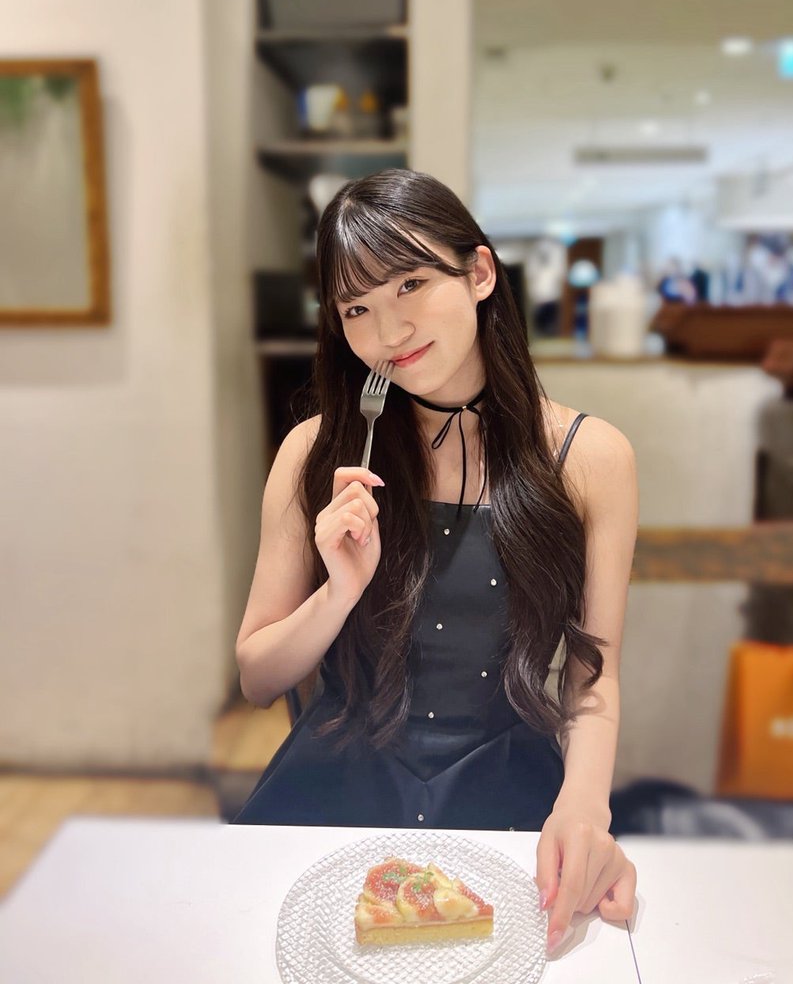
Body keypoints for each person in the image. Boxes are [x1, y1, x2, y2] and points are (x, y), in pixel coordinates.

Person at [232, 168, 639, 953]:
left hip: (508, 788)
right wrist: (337, 593)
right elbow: (257, 677)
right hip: (335, 786)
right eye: (356, 308)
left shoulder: (591, 459)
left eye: (411, 285)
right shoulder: (315, 450)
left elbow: (594, 678)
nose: (388, 333)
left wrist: (585, 809)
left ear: (480, 273)